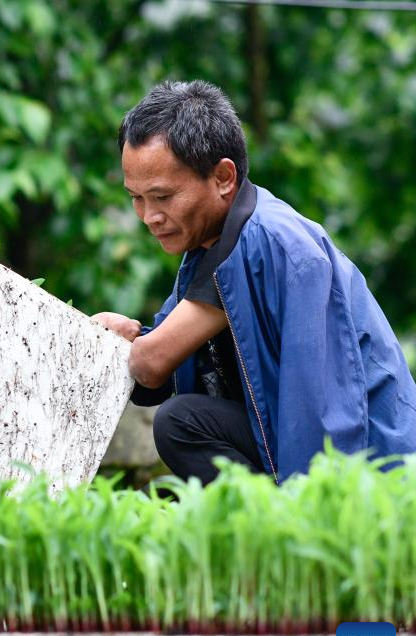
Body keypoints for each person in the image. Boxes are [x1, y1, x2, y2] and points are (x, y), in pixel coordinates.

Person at [91, 80, 416, 485]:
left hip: (378, 467)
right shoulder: (206, 246)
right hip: (285, 439)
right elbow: (163, 364)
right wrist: (129, 334)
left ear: (224, 178)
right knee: (180, 422)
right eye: (135, 198)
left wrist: (314, 513)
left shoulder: (283, 246)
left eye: (162, 196)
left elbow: (326, 410)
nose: (148, 216)